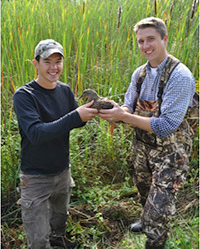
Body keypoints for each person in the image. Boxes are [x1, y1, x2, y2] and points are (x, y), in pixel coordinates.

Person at [98, 17, 196, 249]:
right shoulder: (140, 74)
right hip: (142, 147)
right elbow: (128, 106)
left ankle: (155, 237)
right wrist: (116, 110)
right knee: (144, 192)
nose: (145, 46)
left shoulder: (180, 76)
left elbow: (166, 125)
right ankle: (146, 218)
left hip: (171, 152)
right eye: (141, 41)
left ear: (164, 38)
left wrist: (124, 117)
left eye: (151, 39)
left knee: (158, 211)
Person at [13, 39, 98, 249]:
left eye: (58, 61)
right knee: (39, 241)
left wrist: (94, 111)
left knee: (59, 222)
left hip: (62, 172)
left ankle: (59, 242)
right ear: (36, 64)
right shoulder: (24, 96)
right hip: (35, 178)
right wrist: (76, 115)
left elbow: (75, 122)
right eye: (47, 61)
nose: (54, 67)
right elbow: (36, 133)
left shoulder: (65, 90)